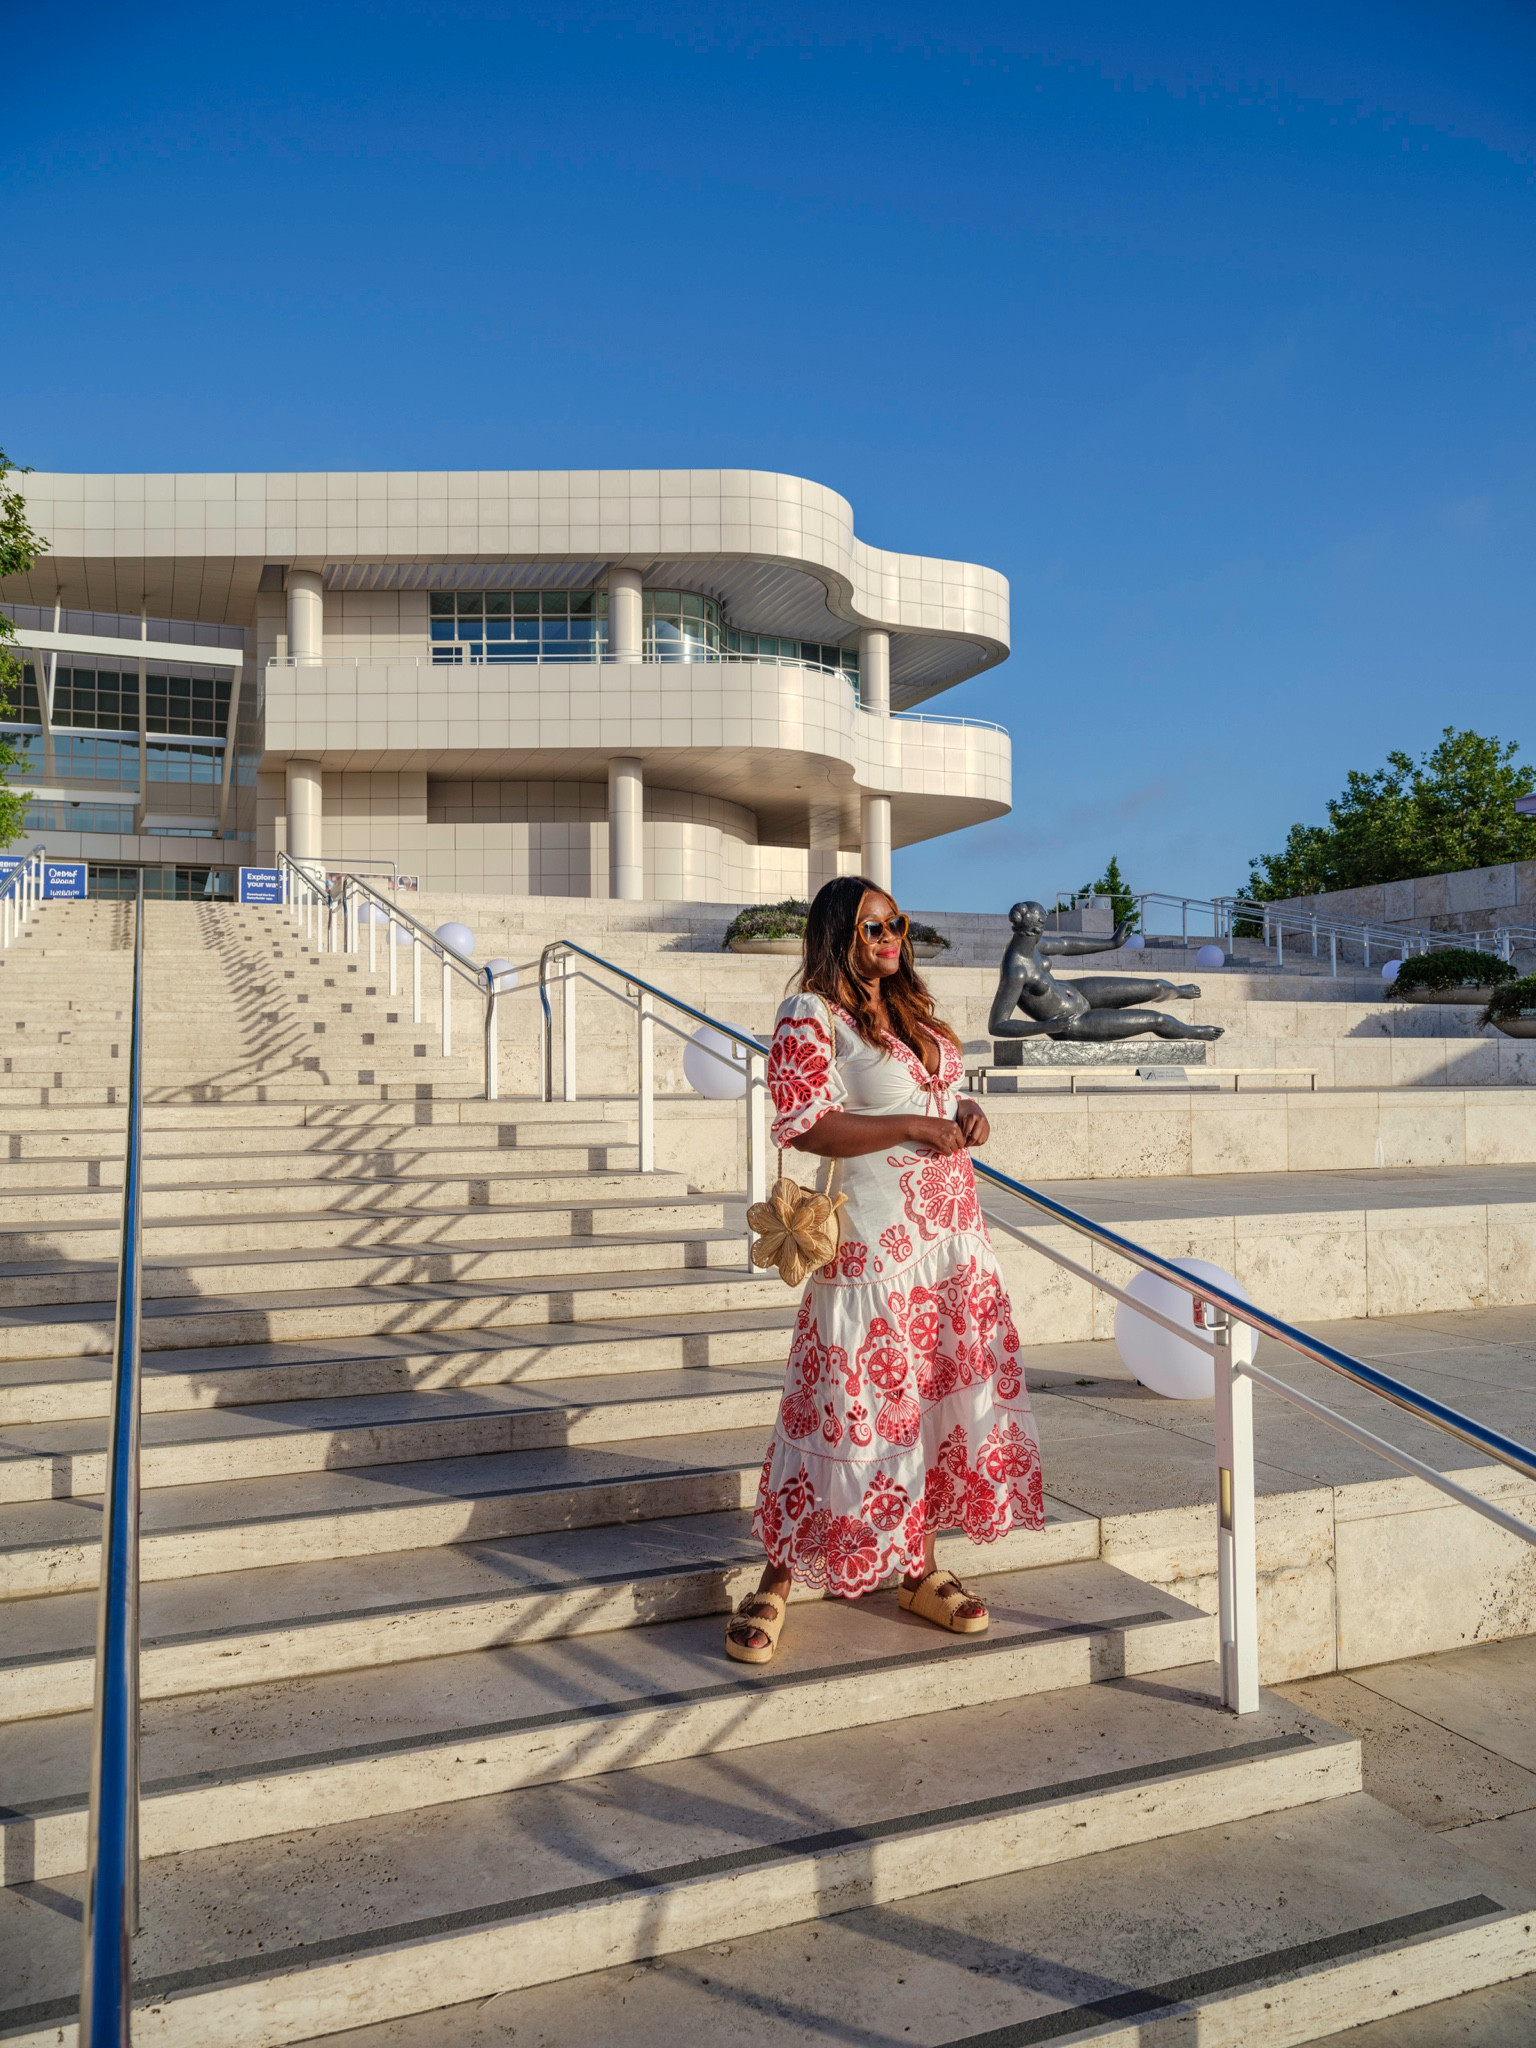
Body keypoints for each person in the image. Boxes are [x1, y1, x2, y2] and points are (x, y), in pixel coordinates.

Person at [726, 876, 1045, 1663]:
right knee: (844, 1404)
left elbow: (943, 1101)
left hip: (952, 1243)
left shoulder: (914, 1015)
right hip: (874, 1247)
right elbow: (803, 1125)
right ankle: (777, 1578)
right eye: (872, 928)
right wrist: (912, 1124)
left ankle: (919, 1570)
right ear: (840, 936)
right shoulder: (811, 1013)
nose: (891, 938)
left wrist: (965, 1114)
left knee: (930, 1402)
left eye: (896, 923)